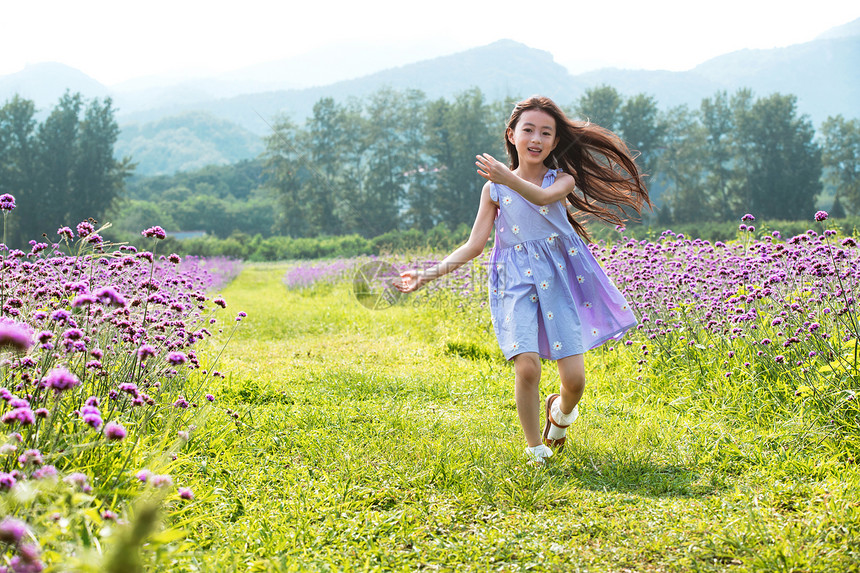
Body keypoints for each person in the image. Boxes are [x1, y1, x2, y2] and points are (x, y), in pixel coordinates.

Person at [396, 96, 650, 464]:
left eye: (546, 132)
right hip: (513, 281)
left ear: (556, 142)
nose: (537, 138)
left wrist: (506, 177)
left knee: (575, 382)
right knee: (527, 365)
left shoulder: (560, 179)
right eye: (528, 129)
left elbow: (544, 198)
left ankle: (560, 413)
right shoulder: (493, 189)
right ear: (511, 135)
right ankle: (535, 448)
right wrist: (425, 275)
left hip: (559, 280)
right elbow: (473, 245)